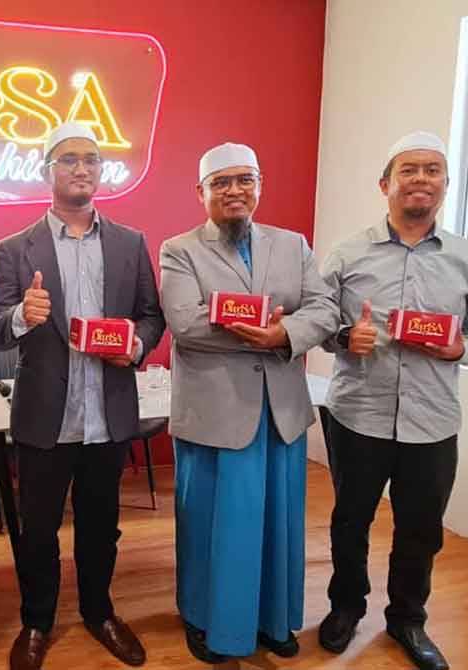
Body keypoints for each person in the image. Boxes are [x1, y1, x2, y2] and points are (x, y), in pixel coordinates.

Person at [318, 131, 468, 670]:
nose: (420, 179)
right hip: (358, 413)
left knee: (420, 527)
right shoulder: (348, 252)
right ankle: (345, 608)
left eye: (432, 170)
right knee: (350, 520)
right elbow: (319, 318)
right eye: (409, 170)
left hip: (433, 420)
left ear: (445, 184)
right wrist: (343, 337)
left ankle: (407, 619)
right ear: (386, 184)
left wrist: (462, 347)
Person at [0, 122, 165, 670]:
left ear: (101, 170)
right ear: (48, 172)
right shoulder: (15, 248)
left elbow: (151, 318)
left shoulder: (130, 243)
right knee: (38, 529)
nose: (81, 168)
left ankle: (98, 611)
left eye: (90, 159)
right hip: (46, 415)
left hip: (106, 413)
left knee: (100, 525)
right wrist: (20, 316)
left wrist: (135, 345)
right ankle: (37, 622)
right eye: (68, 160)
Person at [159, 142, 338, 664]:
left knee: (277, 521)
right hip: (214, 412)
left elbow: (326, 308)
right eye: (221, 183)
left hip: (280, 411)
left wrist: (283, 335)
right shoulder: (180, 249)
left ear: (259, 185)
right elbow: (186, 324)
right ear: (201, 192)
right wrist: (258, 336)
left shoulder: (293, 244)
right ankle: (205, 618)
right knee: (213, 524)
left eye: (245, 180)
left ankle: (274, 619)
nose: (234, 191)